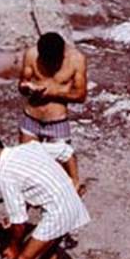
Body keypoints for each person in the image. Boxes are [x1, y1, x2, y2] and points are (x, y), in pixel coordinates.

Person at [18, 32, 88, 193]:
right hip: (31, 118)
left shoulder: (76, 60)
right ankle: (30, 198)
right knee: (27, 161)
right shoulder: (31, 55)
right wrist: (27, 88)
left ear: (62, 55)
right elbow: (22, 84)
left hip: (57, 120)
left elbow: (81, 95)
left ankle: (74, 188)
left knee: (65, 159)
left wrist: (52, 93)